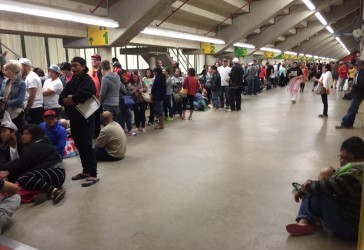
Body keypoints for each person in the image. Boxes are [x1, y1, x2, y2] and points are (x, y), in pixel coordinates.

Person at [286, 137, 364, 240]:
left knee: (317, 190)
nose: (341, 161)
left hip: (349, 229)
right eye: (340, 157)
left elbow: (322, 187)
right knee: (320, 183)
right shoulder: (358, 171)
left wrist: (306, 185)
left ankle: (304, 221)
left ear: (359, 160)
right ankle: (310, 219)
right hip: (351, 221)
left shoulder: (351, 178)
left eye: (347, 158)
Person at [59, 56, 99, 187]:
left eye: (76, 65)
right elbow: (61, 97)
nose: (73, 68)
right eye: (72, 66)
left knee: (87, 145)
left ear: (83, 66)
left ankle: (93, 174)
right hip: (74, 119)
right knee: (80, 145)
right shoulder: (73, 81)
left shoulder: (88, 80)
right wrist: (71, 99)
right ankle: (86, 170)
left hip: (86, 118)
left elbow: (84, 94)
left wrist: (72, 98)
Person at [0, 124, 66, 205]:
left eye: (27, 134)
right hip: (50, 173)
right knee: (19, 181)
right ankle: (44, 192)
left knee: (23, 178)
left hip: (56, 173)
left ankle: (55, 191)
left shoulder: (38, 145)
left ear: (34, 135)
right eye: (23, 134)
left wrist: (7, 171)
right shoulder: (5, 147)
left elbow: (21, 162)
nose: (23, 136)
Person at [336, 60, 364, 129]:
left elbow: (362, 83)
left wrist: (353, 86)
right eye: (356, 65)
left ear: (362, 66)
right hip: (358, 93)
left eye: (357, 66)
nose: (356, 67)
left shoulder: (362, 73)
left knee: (351, 109)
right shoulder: (360, 72)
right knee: (353, 109)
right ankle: (349, 124)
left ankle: (345, 123)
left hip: (359, 94)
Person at [0, 61, 26, 131]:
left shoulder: (21, 83)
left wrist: (6, 102)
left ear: (11, 71)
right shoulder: (4, 81)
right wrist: (2, 99)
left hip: (16, 113)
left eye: (5, 70)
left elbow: (20, 100)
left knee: (17, 132)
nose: (3, 72)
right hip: (4, 112)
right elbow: (1, 95)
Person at [19, 58, 43, 125]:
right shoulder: (29, 77)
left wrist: (27, 108)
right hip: (33, 107)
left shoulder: (31, 78)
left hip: (34, 107)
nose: (19, 68)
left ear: (27, 66)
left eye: (20, 66)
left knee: (34, 129)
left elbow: (32, 95)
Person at [117, 70, 135, 136]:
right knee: (124, 115)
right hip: (121, 101)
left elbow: (127, 91)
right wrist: (127, 85)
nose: (124, 76)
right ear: (120, 75)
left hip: (125, 100)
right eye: (123, 75)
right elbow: (125, 91)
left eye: (125, 75)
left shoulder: (124, 82)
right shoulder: (119, 82)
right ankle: (126, 130)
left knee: (127, 115)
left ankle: (128, 129)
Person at [88, 54, 102, 138]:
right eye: (92, 59)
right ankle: (95, 133)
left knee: (104, 116)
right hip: (92, 99)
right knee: (94, 117)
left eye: (95, 59)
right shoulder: (89, 72)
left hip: (102, 98)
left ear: (99, 61)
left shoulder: (102, 71)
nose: (93, 61)